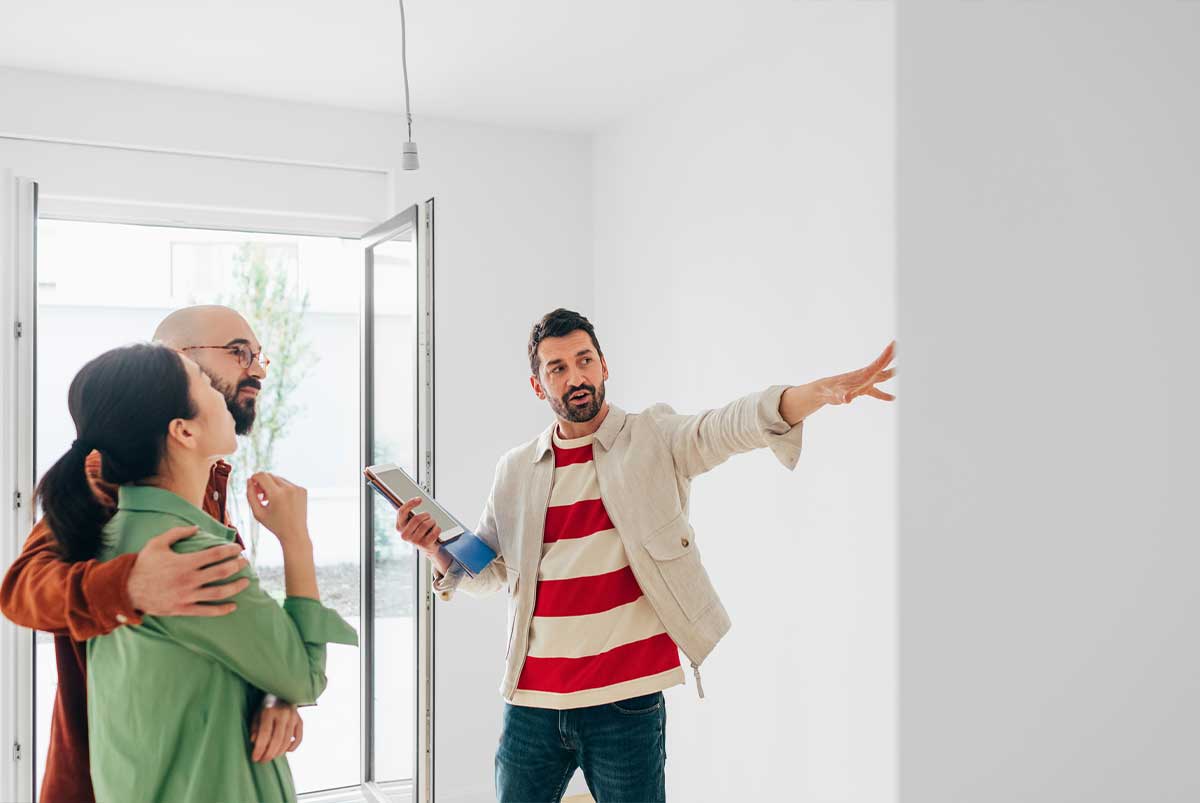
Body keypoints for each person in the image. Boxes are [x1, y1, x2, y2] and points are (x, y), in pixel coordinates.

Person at [395, 308, 896, 802]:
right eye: (559, 368)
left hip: (624, 704)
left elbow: (725, 425)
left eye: (585, 360)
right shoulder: (515, 468)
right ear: (538, 387)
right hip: (533, 704)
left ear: (604, 365)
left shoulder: (653, 439)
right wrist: (437, 551)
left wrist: (808, 396)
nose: (577, 377)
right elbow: (495, 572)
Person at [0, 305, 307, 802]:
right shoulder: (107, 474)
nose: (256, 368)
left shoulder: (208, 479)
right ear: (173, 361)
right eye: (237, 353)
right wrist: (130, 585)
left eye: (258, 355)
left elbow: (222, 624)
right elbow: (21, 592)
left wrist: (274, 689)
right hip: (112, 781)